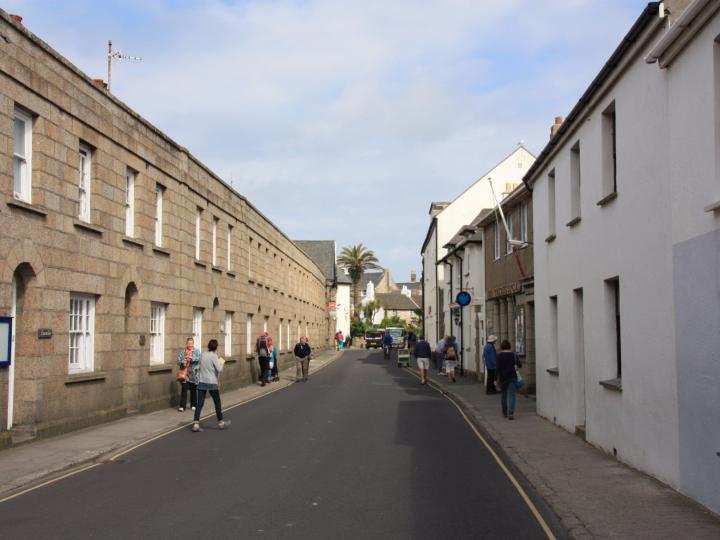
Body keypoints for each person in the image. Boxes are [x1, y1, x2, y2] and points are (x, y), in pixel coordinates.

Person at [191, 339, 228, 432]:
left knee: (200, 404)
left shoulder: (203, 355)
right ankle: (220, 422)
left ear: (208, 346)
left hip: (202, 381)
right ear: (216, 347)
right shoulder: (215, 356)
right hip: (212, 382)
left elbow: (199, 367)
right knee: (217, 403)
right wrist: (222, 361)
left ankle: (196, 424)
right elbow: (219, 369)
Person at [496, 340, 521, 420]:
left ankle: (505, 413)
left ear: (502, 347)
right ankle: (511, 413)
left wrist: (495, 379)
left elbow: (497, 368)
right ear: (510, 346)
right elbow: (519, 365)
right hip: (512, 377)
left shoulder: (499, 356)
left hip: (503, 378)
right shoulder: (514, 355)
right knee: (512, 395)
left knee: (503, 395)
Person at [176, 337, 200, 412]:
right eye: (189, 343)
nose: (190, 345)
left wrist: (191, 358)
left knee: (193, 389)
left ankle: (193, 405)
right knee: (184, 389)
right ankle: (182, 406)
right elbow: (178, 361)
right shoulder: (182, 352)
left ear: (193, 344)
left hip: (193, 373)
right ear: (186, 343)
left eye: (191, 343)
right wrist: (182, 361)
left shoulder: (197, 351)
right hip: (184, 373)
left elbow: (199, 358)